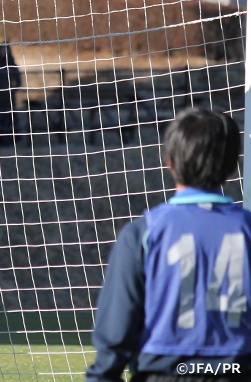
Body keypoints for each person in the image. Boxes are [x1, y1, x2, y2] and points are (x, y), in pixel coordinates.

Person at [86, 108, 251, 382]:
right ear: (233, 163)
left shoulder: (143, 233)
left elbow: (114, 333)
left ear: (169, 161)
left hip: (164, 372)